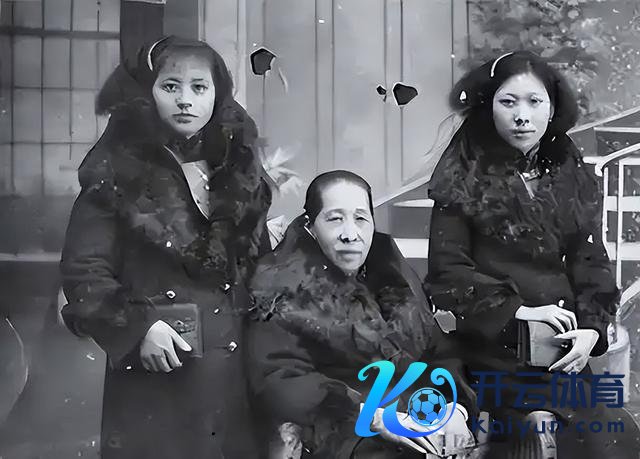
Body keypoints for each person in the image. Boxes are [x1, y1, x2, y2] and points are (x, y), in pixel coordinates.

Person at [60, 36, 271, 458]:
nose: (185, 100)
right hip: (158, 380)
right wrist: (138, 328)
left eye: (199, 87)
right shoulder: (115, 171)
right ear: (147, 92)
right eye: (170, 86)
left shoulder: (239, 170)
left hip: (234, 381)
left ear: (217, 95)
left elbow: (259, 272)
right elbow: (84, 272)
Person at [427, 50, 640, 457]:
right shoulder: (463, 171)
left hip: (560, 353)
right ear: (489, 105)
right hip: (492, 352)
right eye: (508, 102)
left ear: (551, 107)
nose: (522, 116)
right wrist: (519, 311)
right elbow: (446, 272)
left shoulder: (566, 166)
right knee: (539, 432)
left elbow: (591, 260)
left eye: (534, 102)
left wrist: (591, 330)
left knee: (615, 438)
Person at [248, 171, 475, 458]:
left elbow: (438, 350)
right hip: (343, 435)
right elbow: (280, 377)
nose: (350, 233)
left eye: (360, 218)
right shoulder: (281, 284)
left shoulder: (392, 272)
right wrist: (375, 417)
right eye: (334, 219)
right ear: (311, 226)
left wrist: (455, 408)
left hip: (417, 423)